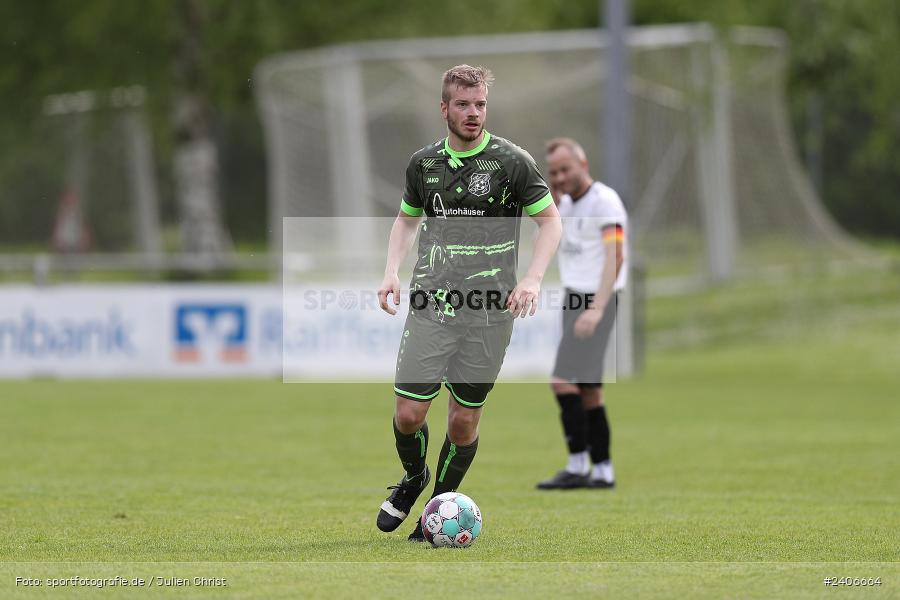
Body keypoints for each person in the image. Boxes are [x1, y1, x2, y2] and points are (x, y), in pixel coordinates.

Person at [376, 64, 562, 541]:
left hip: (489, 312)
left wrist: (534, 279)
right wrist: (391, 271)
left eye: (479, 104)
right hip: (432, 305)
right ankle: (413, 480)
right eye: (463, 104)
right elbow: (405, 221)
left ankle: (432, 514)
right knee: (408, 414)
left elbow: (551, 223)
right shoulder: (423, 164)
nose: (473, 113)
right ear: (444, 108)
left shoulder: (512, 163)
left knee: (463, 421)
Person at [536, 137, 627, 490]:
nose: (558, 177)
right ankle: (602, 470)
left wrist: (598, 308)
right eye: (553, 172)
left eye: (565, 169)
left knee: (563, 381)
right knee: (589, 389)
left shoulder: (604, 201)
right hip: (575, 297)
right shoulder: (567, 205)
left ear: (583, 164)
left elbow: (615, 256)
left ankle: (579, 465)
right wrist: (555, 208)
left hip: (594, 301)